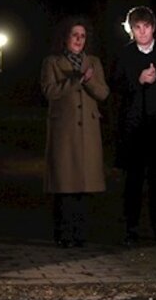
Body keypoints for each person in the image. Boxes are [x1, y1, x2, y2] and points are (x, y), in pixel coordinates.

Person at [112, 6, 156, 246]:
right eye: (137, 28)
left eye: (146, 27)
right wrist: (138, 80)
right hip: (134, 130)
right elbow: (116, 86)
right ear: (131, 30)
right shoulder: (124, 55)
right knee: (132, 182)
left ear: (153, 27)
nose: (142, 32)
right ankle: (131, 230)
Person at [39, 16, 110, 248]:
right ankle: (63, 234)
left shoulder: (93, 62)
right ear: (65, 38)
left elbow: (103, 93)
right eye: (74, 35)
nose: (79, 40)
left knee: (84, 186)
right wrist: (76, 80)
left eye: (82, 36)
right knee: (65, 186)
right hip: (64, 132)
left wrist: (88, 81)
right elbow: (49, 91)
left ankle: (80, 235)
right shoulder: (52, 62)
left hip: (88, 132)